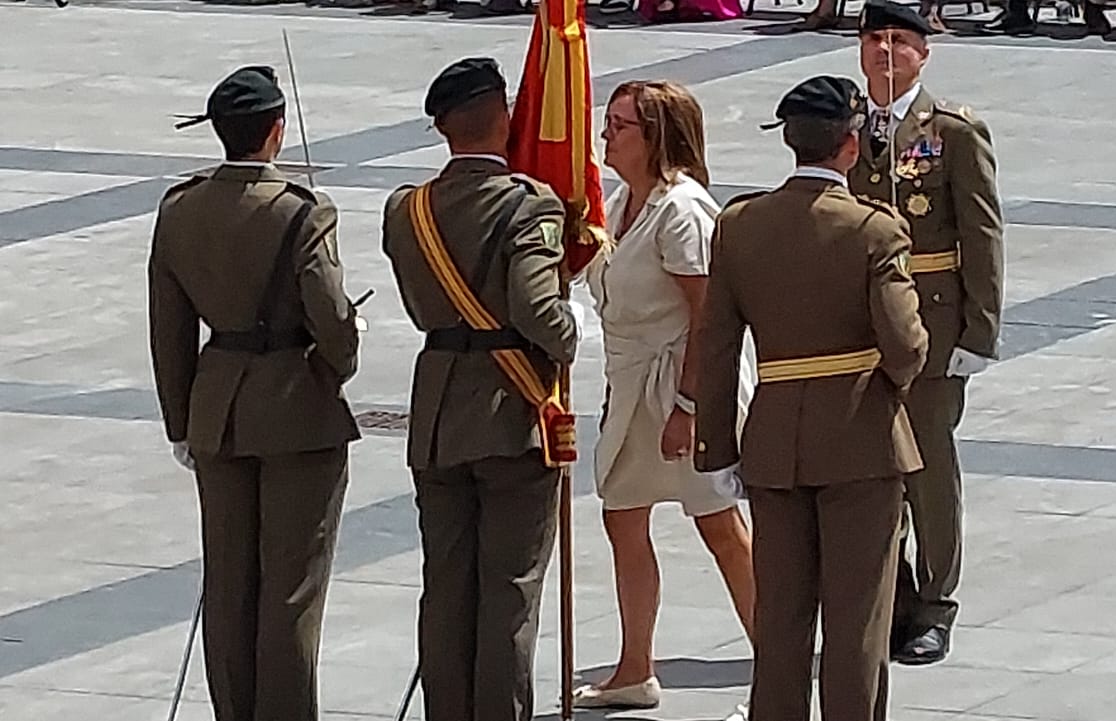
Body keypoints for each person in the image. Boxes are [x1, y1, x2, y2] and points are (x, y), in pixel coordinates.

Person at [696, 75, 929, 721]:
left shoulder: (740, 224)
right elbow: (907, 346)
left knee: (781, 625)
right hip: (861, 441)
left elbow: (714, 346)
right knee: (857, 623)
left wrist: (715, 446)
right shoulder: (873, 230)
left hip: (773, 442)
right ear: (850, 146)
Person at [148, 65, 362, 721]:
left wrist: (182, 420)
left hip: (218, 409)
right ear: (276, 130)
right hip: (296, 408)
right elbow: (333, 322)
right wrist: (338, 362)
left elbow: (170, 328)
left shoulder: (180, 208)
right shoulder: (302, 210)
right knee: (291, 590)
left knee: (231, 583)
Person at [380, 57, 578, 721]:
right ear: (505, 118)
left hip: (438, 412)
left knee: (446, 590)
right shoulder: (529, 204)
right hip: (510, 411)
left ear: (443, 128)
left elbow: (417, 303)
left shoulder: (406, 210)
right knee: (509, 591)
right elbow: (535, 309)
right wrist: (571, 331)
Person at [571, 79, 757, 709]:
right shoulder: (626, 200)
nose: (606, 135)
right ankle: (634, 668)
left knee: (717, 523)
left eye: (620, 126)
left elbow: (708, 318)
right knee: (621, 512)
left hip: (684, 383)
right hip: (632, 383)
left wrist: (688, 408)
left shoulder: (682, 210)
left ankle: (776, 656)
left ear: (655, 137)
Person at [848, 0, 1005, 667]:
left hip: (933, 323)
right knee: (870, 472)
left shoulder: (950, 131)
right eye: (874, 40)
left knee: (930, 472)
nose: (885, 52)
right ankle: (896, 595)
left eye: (899, 42)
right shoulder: (846, 125)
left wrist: (980, 330)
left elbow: (982, 232)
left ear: (922, 52)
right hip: (859, 325)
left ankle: (936, 605)